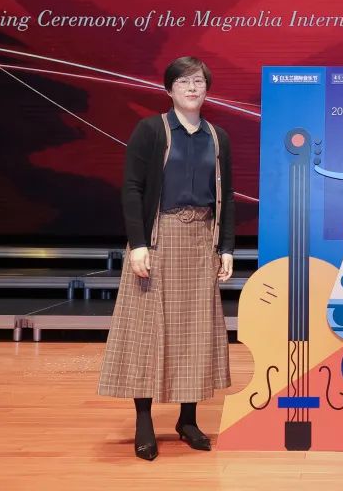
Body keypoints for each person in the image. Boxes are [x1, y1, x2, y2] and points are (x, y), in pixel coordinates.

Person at [98, 56, 235, 461]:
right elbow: (132, 189)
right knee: (147, 331)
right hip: (160, 237)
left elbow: (227, 197)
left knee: (195, 332)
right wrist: (138, 243)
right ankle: (144, 422)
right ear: (169, 89)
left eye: (199, 82)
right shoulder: (150, 130)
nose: (192, 88)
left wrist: (226, 247)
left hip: (201, 239)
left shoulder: (217, 137)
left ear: (207, 89)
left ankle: (187, 420)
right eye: (184, 82)